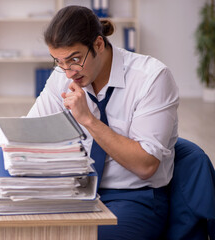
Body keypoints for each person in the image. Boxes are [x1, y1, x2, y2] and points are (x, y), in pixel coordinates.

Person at [27, 5, 179, 240]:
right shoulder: (63, 74)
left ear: (98, 44)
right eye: (59, 62)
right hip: (74, 191)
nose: (68, 72)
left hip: (134, 198)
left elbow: (146, 165)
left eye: (74, 59)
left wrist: (88, 120)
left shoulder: (152, 79)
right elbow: (30, 131)